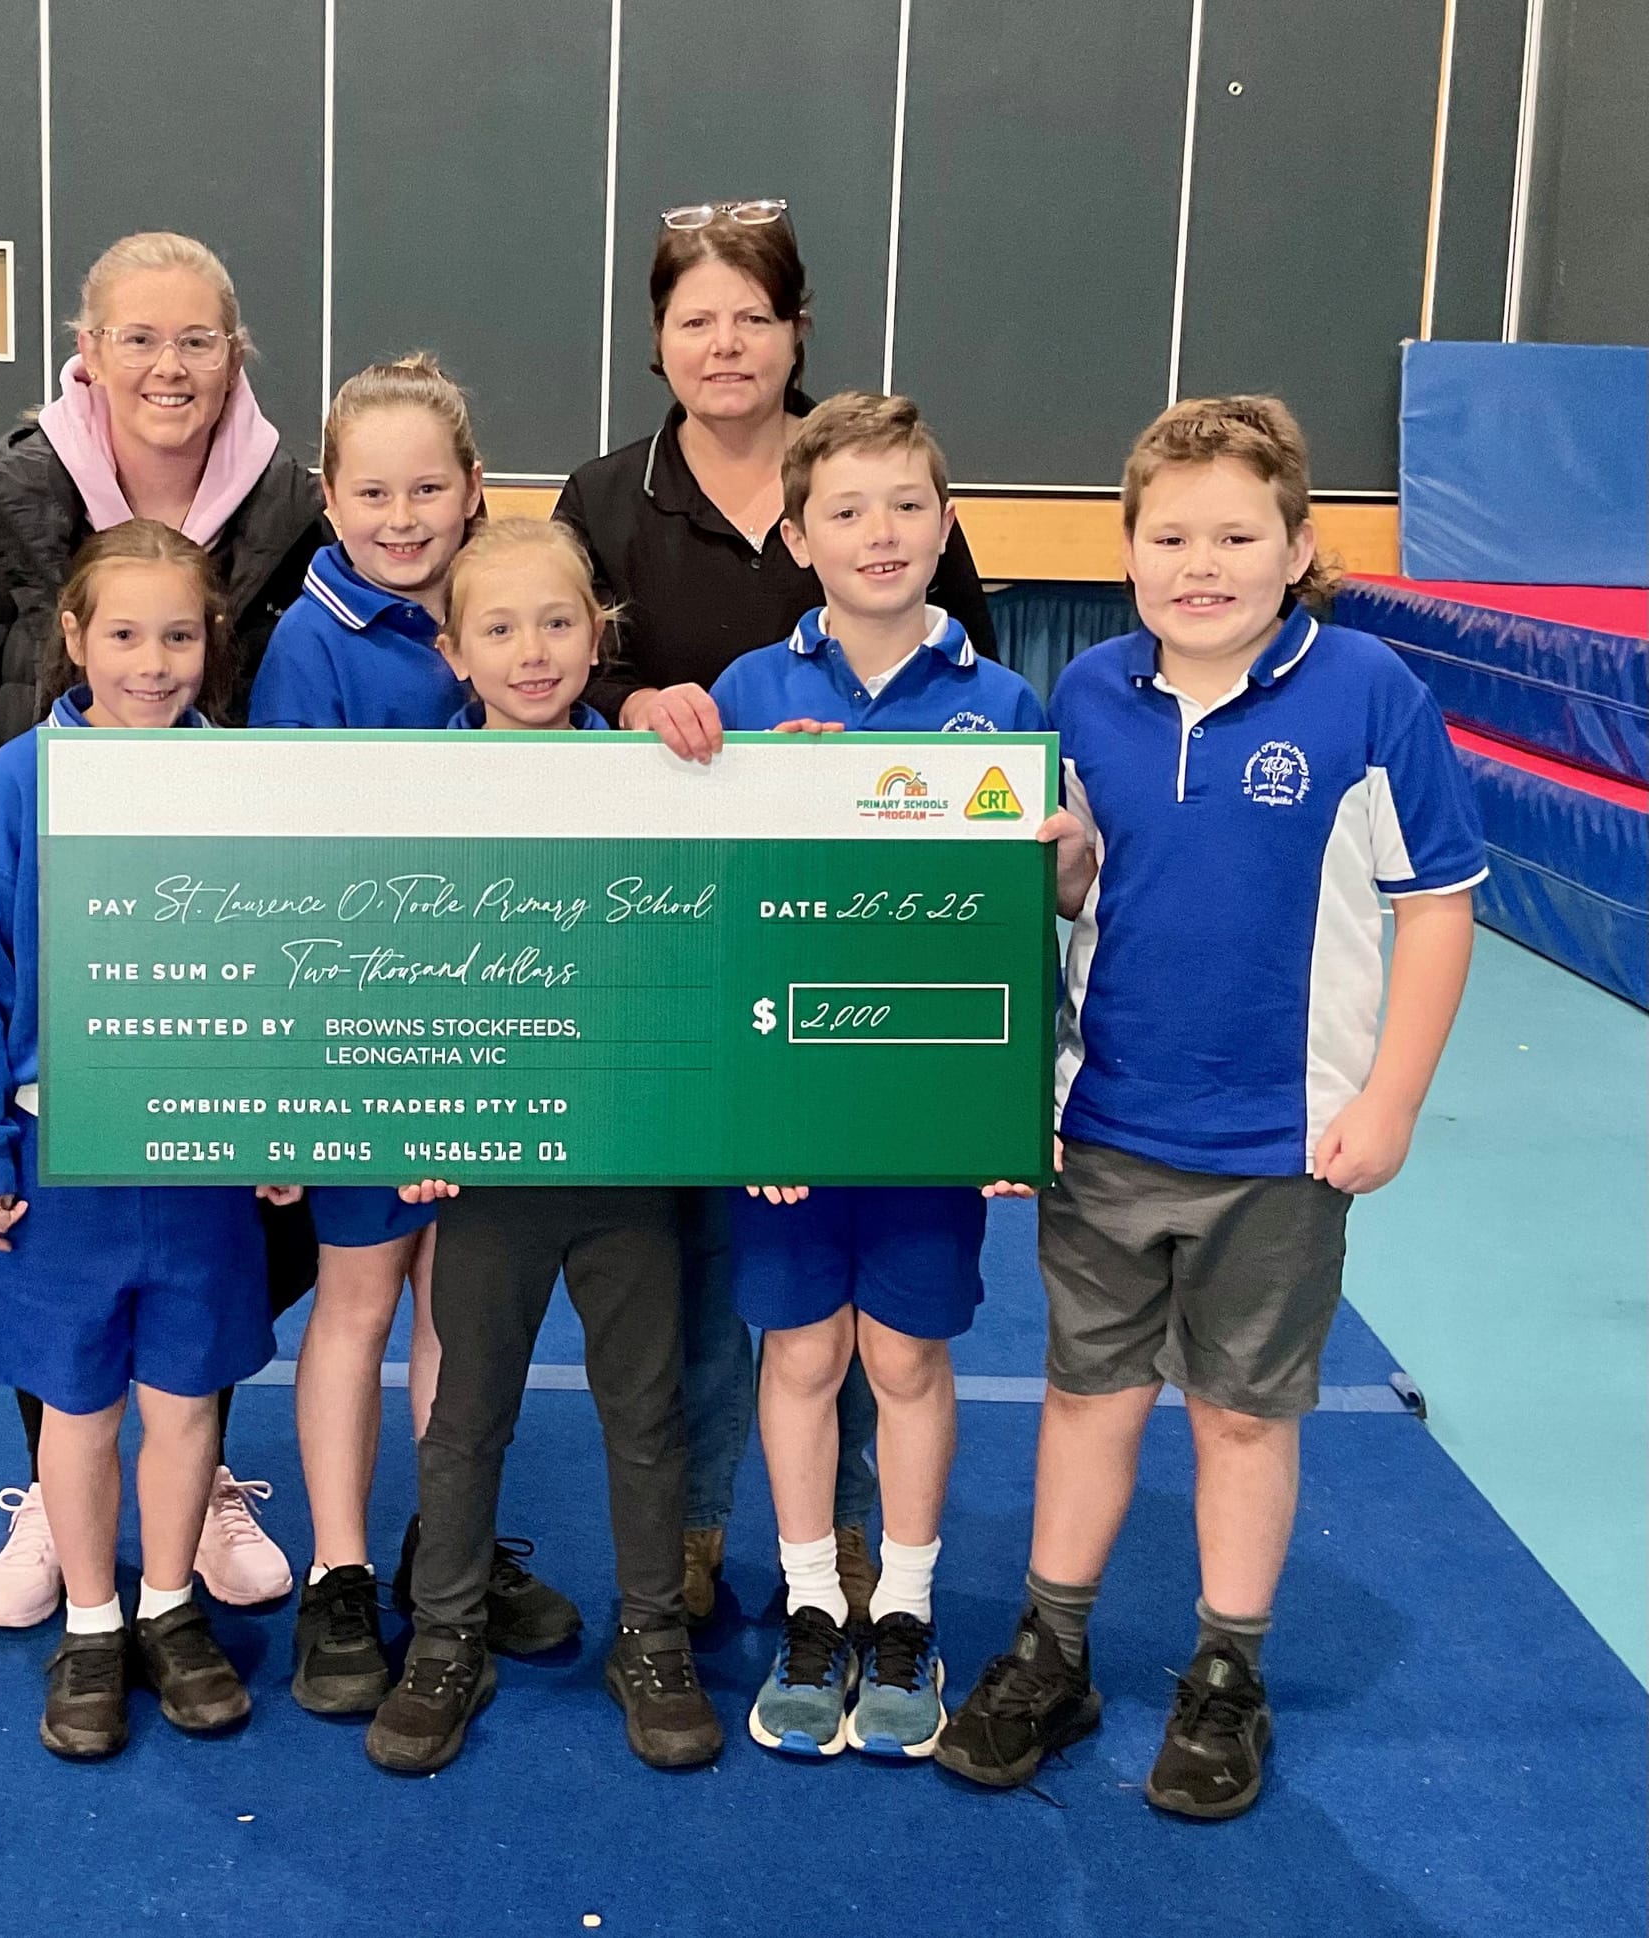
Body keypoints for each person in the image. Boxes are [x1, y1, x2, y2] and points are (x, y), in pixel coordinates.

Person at [935, 396, 1485, 1817]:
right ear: (1126, 552)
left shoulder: (1368, 691)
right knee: (1085, 1394)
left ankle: (1225, 1671)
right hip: (1107, 1128)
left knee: (1241, 1415)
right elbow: (1075, 901)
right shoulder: (1093, 697)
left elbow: (1437, 907)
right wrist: (1048, 888)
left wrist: (1395, 1099)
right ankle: (1054, 1649)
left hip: (1282, 1146)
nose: (1202, 561)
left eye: (1238, 534)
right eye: (1170, 535)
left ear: (1298, 545)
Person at [0, 233, 325, 1629]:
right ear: (89, 351)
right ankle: (61, 1510)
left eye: (197, 341)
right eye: (140, 339)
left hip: (221, 966)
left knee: (205, 1246)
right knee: (38, 1250)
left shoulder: (297, 515)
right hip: (32, 943)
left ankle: (202, 1477)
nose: (169, 367)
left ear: (235, 355)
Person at [556, 200, 998, 1625]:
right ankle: (695, 1527)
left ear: (799, 328)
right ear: (658, 339)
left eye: (754, 314)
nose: (726, 341)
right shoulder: (603, 500)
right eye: (696, 317)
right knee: (707, 1272)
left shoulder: (873, 477)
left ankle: (857, 1544)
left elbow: (968, 717)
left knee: (863, 1301)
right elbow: (551, 673)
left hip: (860, 963)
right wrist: (637, 705)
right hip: (689, 955)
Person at [0, 520, 306, 1760]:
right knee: (78, 1413)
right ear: (74, 636)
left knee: (188, 1401)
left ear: (215, 642)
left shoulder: (242, 784)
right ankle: (92, 1624)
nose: (152, 662)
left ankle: (168, 1606)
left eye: (180, 635)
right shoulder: (16, 783)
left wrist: (280, 1113)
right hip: (57, 1166)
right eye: (125, 634)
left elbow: (279, 969)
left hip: (197, 1163)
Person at [703, 393, 1044, 1760]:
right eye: (844, 509)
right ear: (798, 534)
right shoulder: (745, 694)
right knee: (797, 1349)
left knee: (904, 1350)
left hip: (925, 1106)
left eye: (907, 504)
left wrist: (1008, 1102)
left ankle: (900, 1606)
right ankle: (807, 1601)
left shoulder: (1000, 702)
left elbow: (1027, 923)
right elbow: (710, 910)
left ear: (947, 521)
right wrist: (749, 1097)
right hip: (790, 1098)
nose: (880, 532)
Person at [247, 361, 581, 1718]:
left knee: (465, 1308)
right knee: (360, 1297)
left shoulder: (507, 617)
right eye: (372, 490)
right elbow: (289, 873)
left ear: (475, 488)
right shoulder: (308, 645)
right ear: (328, 497)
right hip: (367, 1045)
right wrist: (340, 1077)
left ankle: (442, 1548)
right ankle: (337, 1573)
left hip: (497, 1049)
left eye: (428, 487)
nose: (402, 514)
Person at [364, 520, 721, 1775]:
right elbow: (382, 973)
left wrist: (768, 1115)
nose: (532, 652)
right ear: (452, 652)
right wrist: (407, 1115)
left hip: (628, 1165)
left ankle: (650, 1633)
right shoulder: (412, 794)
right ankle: (445, 1634)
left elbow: (715, 957)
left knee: (646, 1410)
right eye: (500, 630)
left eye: (558, 624)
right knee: (466, 1414)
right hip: (487, 1175)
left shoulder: (663, 778)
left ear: (599, 635)